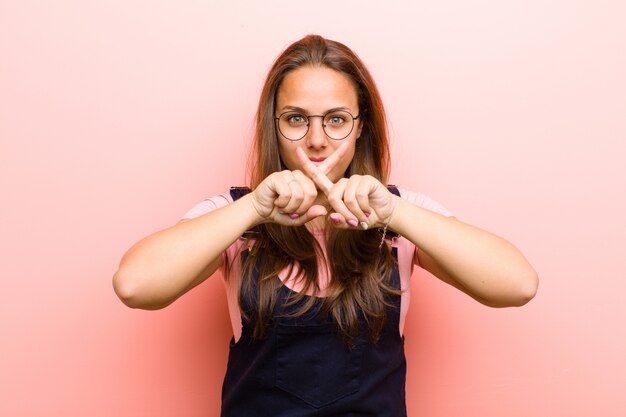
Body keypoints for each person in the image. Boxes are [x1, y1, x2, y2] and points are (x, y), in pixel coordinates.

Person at [113, 34, 538, 416]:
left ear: (360, 128)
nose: (316, 139)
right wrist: (254, 209)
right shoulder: (236, 215)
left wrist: (392, 212)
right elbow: (135, 285)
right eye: (296, 119)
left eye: (336, 119)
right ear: (273, 127)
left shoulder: (400, 216)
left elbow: (517, 284)